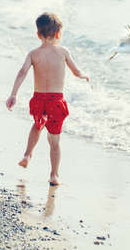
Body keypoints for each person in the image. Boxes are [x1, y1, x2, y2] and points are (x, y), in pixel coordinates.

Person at [6, 12, 89, 185]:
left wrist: (13, 94)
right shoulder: (64, 52)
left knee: (37, 126)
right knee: (54, 141)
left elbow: (22, 72)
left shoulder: (33, 54)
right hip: (56, 102)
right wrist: (83, 75)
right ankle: (54, 175)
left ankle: (27, 155)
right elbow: (76, 71)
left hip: (38, 100)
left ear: (38, 35)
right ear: (58, 34)